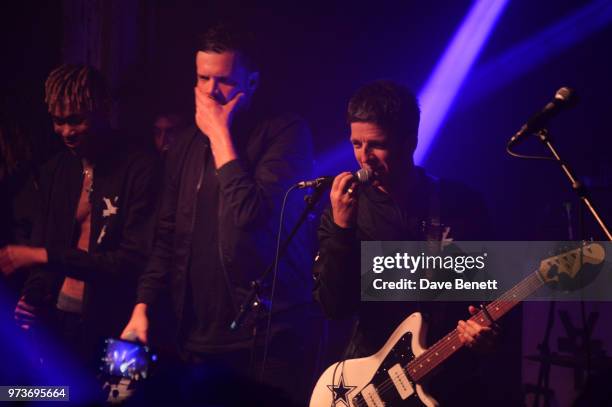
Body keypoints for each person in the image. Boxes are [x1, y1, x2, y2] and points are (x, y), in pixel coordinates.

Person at [121, 23, 320, 404]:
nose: (211, 91)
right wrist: (142, 304)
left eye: (224, 81)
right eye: (202, 78)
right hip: (197, 337)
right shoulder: (184, 145)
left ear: (253, 81)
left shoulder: (285, 133)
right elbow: (168, 233)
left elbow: (251, 218)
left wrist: (219, 136)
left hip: (262, 339)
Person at [312, 80, 500, 405]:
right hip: (371, 384)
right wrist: (342, 229)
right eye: (356, 144)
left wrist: (487, 334)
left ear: (410, 142)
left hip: (449, 382)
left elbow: (489, 295)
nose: (364, 157)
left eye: (376, 145)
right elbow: (334, 308)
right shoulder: (346, 212)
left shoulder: (462, 204)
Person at [0, 64, 158, 368]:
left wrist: (41, 255)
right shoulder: (57, 170)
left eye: (76, 120)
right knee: (47, 397)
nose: (66, 132)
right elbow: (44, 240)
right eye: (58, 122)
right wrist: (31, 296)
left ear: (102, 110)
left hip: (121, 323)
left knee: (117, 401)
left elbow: (131, 261)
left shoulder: (139, 168)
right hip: (58, 321)